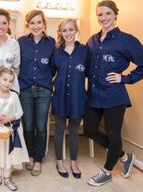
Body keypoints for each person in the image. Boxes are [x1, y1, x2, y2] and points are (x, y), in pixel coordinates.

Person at [84, 0, 143, 186]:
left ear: (115, 15)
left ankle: (107, 171)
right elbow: (87, 66)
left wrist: (125, 78)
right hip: (93, 95)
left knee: (113, 134)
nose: (104, 18)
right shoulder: (92, 40)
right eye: (100, 14)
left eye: (108, 13)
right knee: (90, 130)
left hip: (114, 96)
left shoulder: (127, 40)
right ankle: (125, 156)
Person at [17, 10, 56, 176]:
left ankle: (38, 159)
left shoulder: (51, 42)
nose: (36, 26)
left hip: (43, 90)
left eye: (39, 22)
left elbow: (53, 66)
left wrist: (44, 78)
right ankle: (30, 155)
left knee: (40, 126)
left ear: (44, 24)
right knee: (27, 125)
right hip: (24, 89)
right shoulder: (20, 42)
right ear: (28, 25)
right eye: (32, 23)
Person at [51, 18, 88, 179]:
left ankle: (73, 162)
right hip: (59, 97)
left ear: (76, 30)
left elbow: (91, 72)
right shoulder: (56, 52)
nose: (68, 33)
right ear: (60, 32)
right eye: (64, 30)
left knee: (74, 131)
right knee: (59, 130)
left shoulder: (86, 51)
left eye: (71, 29)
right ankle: (60, 161)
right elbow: (50, 72)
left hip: (77, 98)